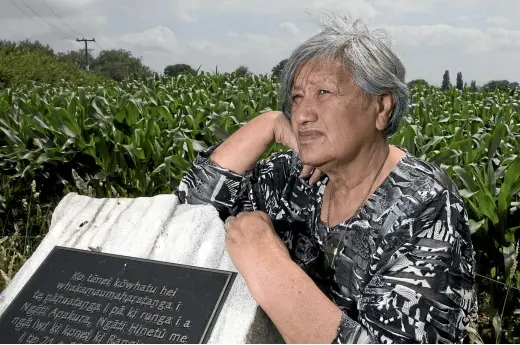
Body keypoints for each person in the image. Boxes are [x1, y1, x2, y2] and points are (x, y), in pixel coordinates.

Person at [175, 14, 477, 344]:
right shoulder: (298, 175)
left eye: (324, 92)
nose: (302, 114)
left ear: (381, 108)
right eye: (297, 97)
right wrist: (268, 124)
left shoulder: (426, 206)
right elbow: (186, 220)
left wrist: (269, 267)